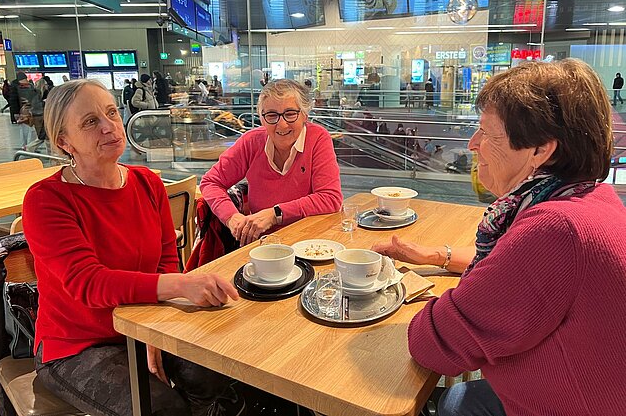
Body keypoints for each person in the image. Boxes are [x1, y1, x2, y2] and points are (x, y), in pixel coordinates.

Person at [372, 59, 626, 416]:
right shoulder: (590, 199)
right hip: (580, 388)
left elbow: (434, 345)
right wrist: (435, 256)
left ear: (540, 149)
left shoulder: (554, 231)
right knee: (458, 400)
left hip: (566, 403)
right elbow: (513, 270)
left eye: (488, 134)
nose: (472, 144)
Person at [22, 79, 243, 416]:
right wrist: (180, 286)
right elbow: (88, 283)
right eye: (90, 121)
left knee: (216, 374)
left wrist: (155, 329)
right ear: (64, 141)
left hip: (143, 320)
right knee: (162, 408)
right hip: (78, 344)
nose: (110, 126)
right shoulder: (46, 200)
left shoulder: (147, 182)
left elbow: (167, 257)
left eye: (111, 112)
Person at [200, 79, 343, 246]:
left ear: (305, 115)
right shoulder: (251, 142)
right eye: (272, 115)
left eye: (290, 114)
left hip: (310, 242)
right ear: (262, 118)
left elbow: (330, 198)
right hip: (262, 244)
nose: (281, 125)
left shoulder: (318, 138)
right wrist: (232, 217)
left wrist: (275, 214)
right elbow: (210, 182)